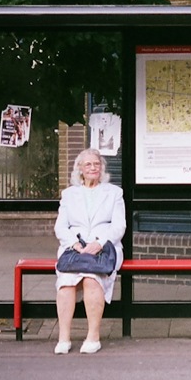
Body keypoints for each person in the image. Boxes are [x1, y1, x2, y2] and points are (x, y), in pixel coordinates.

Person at [53, 148, 126, 354]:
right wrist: (74, 244)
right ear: (80, 170)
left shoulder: (114, 193)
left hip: (104, 248)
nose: (93, 168)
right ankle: (63, 338)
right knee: (66, 284)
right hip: (75, 248)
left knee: (91, 279)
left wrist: (100, 243)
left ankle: (93, 336)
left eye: (96, 164)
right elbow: (60, 227)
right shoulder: (69, 195)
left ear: (101, 168)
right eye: (88, 165)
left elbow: (119, 227)